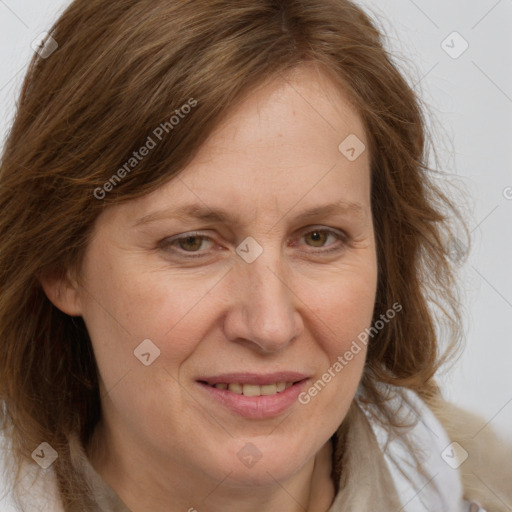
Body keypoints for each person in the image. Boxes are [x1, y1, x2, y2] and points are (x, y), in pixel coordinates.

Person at [0, 1, 510, 511]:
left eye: (319, 238)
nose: (269, 325)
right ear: (60, 263)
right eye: (192, 243)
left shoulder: (481, 481)